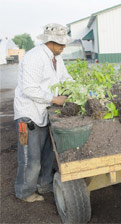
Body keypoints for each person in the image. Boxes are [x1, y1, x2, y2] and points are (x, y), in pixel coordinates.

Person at [14, 23, 73, 202]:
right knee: (30, 157)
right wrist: (56, 100)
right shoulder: (34, 58)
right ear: (50, 42)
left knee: (47, 152)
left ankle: (44, 185)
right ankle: (25, 192)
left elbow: (65, 77)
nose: (64, 47)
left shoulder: (57, 58)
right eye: (61, 44)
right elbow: (30, 89)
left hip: (45, 112)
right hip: (28, 115)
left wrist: (77, 87)